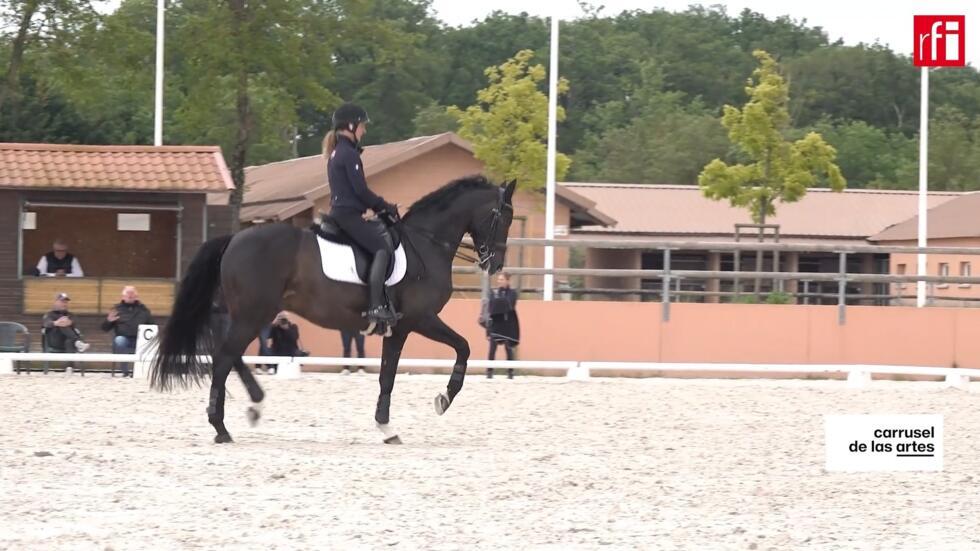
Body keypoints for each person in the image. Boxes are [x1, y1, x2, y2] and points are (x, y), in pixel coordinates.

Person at [321, 102, 400, 335]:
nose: (364, 131)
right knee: (382, 248)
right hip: (348, 216)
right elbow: (360, 191)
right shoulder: (348, 154)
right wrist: (385, 207)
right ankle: (376, 306)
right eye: (362, 126)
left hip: (341, 213)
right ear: (351, 126)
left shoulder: (337, 152)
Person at [100, 285, 155, 377]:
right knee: (120, 341)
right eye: (127, 294)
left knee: (150, 343)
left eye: (132, 293)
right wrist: (109, 321)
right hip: (124, 338)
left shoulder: (144, 310)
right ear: (123, 296)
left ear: (136, 296)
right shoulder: (116, 309)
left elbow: (152, 326)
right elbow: (104, 328)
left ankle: (141, 372)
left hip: (140, 340)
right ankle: (125, 372)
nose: (130, 296)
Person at [481, 273, 520, 379]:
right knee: (492, 348)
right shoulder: (494, 293)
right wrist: (488, 331)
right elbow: (490, 310)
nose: (499, 281)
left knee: (508, 348)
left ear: (507, 281)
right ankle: (489, 371)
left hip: (508, 325)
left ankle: (510, 372)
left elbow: (509, 305)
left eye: (502, 279)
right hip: (496, 324)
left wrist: (496, 303)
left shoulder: (512, 293)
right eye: (498, 279)